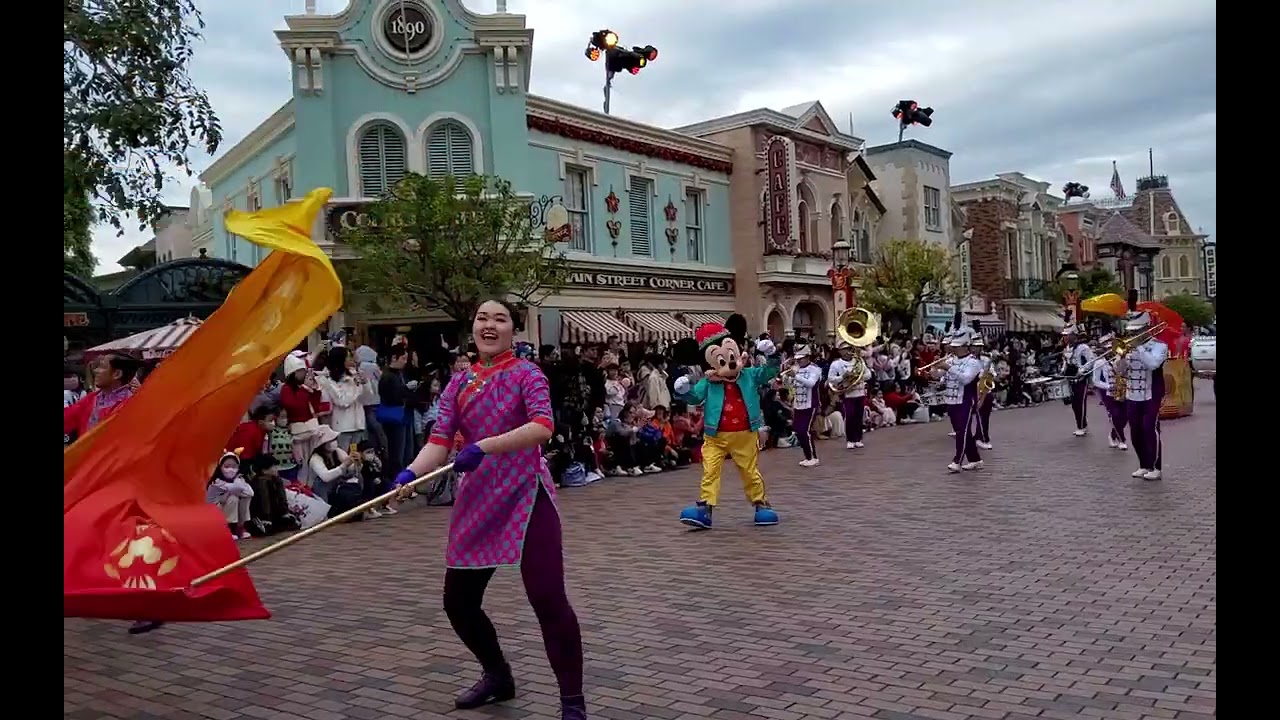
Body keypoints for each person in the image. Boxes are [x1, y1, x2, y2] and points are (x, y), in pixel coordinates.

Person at [392, 299, 586, 720]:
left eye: (500, 319)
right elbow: (439, 441)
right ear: (473, 328)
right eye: (483, 318)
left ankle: (572, 702)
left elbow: (542, 427)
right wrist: (410, 474)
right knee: (458, 602)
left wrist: (484, 446)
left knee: (548, 598)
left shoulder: (528, 374)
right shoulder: (458, 383)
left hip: (527, 494)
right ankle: (497, 675)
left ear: (514, 329)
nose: (489, 325)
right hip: (478, 498)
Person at [672, 315, 781, 529]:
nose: (730, 363)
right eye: (721, 360)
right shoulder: (709, 382)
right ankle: (705, 508)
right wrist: (683, 391)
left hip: (745, 433)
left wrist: (772, 355)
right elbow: (695, 397)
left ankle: (760, 503)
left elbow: (769, 371)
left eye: (731, 355)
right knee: (710, 470)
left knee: (749, 471)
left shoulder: (749, 375)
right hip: (715, 436)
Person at [1116, 293, 1169, 481]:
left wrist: (1138, 347)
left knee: (1149, 427)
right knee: (1135, 430)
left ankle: (1156, 467)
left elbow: (1153, 364)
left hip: (1151, 392)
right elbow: (1120, 371)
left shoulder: (1159, 346)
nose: (1132, 335)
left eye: (1136, 331)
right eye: (1131, 331)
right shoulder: (1128, 347)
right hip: (1133, 393)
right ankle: (1143, 464)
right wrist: (1121, 358)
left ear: (1146, 329)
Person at [931, 329, 983, 473]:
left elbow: (966, 379)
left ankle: (957, 461)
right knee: (963, 432)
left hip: (965, 400)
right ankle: (975, 459)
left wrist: (948, 367)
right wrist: (934, 368)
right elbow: (938, 377)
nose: (953, 348)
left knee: (961, 432)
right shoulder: (950, 360)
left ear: (965, 346)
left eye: (957, 346)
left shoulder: (973, 362)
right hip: (951, 401)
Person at [64, 353, 141, 441]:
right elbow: (68, 418)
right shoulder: (92, 398)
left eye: (102, 367)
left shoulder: (130, 404)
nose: (96, 371)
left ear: (117, 374)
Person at [826, 341, 872, 450]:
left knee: (858, 416)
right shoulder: (836, 364)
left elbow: (868, 374)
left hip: (859, 391)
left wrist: (858, 376)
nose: (847, 352)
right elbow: (831, 378)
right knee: (850, 416)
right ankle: (850, 439)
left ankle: (858, 439)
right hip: (848, 393)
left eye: (848, 349)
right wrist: (843, 377)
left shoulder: (858, 361)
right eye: (844, 350)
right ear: (840, 351)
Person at [787, 345, 824, 467]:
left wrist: (796, 376)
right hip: (798, 404)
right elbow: (789, 385)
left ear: (808, 357)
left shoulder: (815, 369)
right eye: (797, 359)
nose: (799, 361)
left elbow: (811, 383)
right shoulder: (795, 368)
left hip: (810, 404)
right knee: (798, 431)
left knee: (805, 430)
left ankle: (813, 457)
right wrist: (787, 378)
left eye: (801, 359)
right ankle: (807, 456)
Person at [207, 451, 255, 541]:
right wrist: (235, 489)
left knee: (242, 497)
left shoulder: (239, 480)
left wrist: (237, 482)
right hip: (215, 517)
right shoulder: (216, 482)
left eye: (234, 466)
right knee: (233, 498)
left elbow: (250, 493)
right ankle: (228, 529)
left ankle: (240, 527)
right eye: (227, 466)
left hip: (228, 511)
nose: (230, 470)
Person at [1091, 334, 1128, 451]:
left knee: (1125, 416)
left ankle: (1113, 435)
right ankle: (1122, 440)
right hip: (1109, 393)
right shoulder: (1099, 362)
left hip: (1123, 390)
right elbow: (1095, 381)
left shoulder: (1120, 358)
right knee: (1115, 415)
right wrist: (1108, 386)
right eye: (1108, 346)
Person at [1062, 325, 1096, 436]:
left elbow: (1091, 360)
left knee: (1080, 403)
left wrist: (1082, 370)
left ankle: (1081, 427)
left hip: (1081, 379)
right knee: (1074, 405)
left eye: (1067, 335)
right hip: (1070, 379)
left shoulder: (1083, 347)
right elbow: (1066, 361)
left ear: (1074, 335)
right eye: (1064, 335)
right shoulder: (1067, 348)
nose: (1065, 337)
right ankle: (1082, 425)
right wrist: (1063, 370)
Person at [971, 332, 996, 449]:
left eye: (979, 346)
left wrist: (989, 373)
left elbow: (993, 373)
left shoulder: (986, 359)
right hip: (973, 390)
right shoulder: (968, 361)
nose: (977, 349)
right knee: (975, 416)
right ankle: (978, 437)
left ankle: (981, 437)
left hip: (985, 390)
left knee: (985, 416)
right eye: (975, 346)